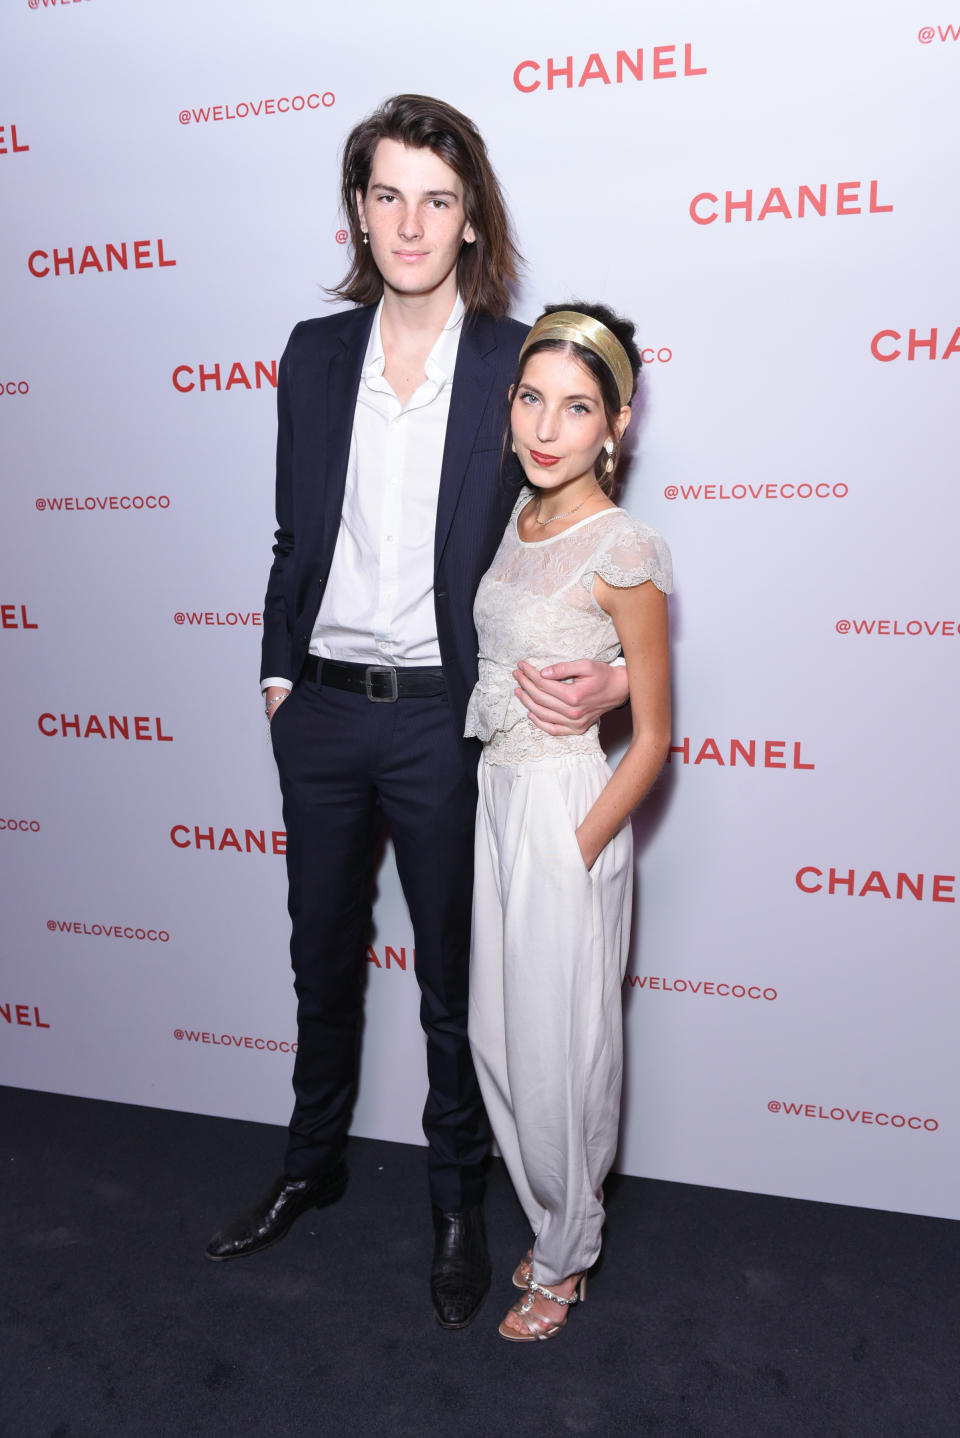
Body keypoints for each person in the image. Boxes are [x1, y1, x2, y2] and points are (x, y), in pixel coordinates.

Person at [204, 96, 630, 1330]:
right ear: (358, 208)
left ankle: (458, 1204)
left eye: (436, 199)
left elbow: (583, 520)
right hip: (324, 712)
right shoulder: (312, 350)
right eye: (387, 194)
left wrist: (614, 674)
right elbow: (294, 528)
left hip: (451, 718)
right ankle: (310, 1160)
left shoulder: (511, 364)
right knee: (319, 957)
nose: (410, 221)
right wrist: (279, 672)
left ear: (470, 218)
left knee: (455, 983)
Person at [465, 304, 672, 1341]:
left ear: (616, 424)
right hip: (497, 797)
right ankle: (555, 1215)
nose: (548, 426)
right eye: (533, 398)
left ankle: (567, 1258)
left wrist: (579, 844)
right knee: (501, 1044)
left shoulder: (624, 545)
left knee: (565, 1047)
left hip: (561, 806)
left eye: (578, 406)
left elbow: (655, 734)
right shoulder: (520, 515)